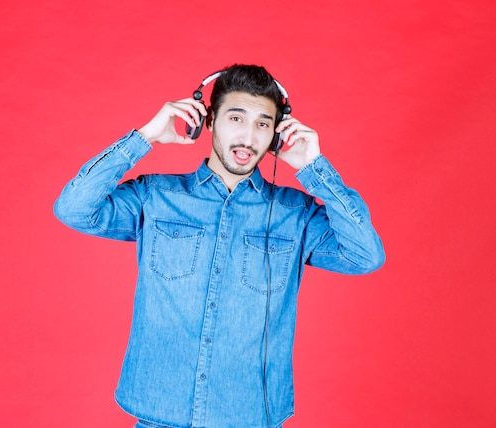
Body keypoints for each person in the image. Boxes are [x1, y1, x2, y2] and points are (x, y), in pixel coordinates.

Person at [53, 64, 385, 428]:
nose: (248, 137)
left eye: (263, 124)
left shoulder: (295, 214)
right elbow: (74, 209)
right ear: (208, 121)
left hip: (249, 417)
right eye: (236, 118)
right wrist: (144, 137)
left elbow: (365, 256)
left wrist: (316, 170)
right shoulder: (156, 196)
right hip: (159, 414)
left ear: (277, 135)